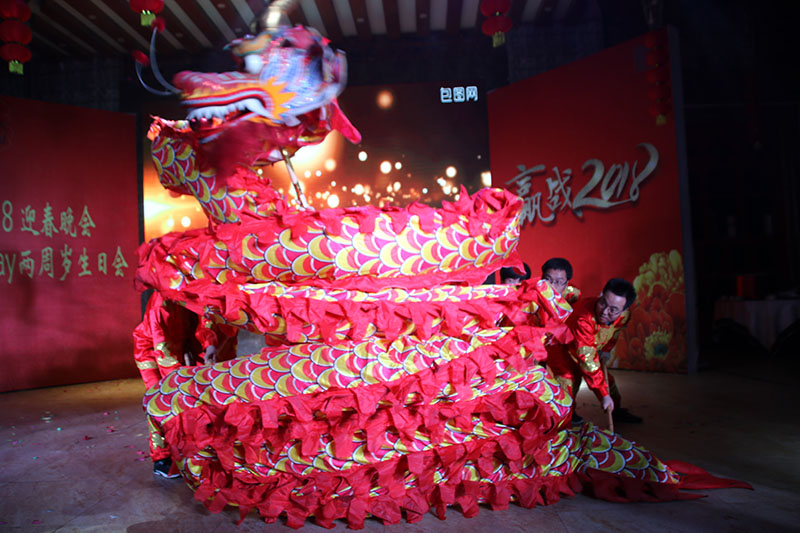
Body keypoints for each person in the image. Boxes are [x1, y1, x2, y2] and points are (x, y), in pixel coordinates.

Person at [133, 291, 238, 477]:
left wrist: (209, 345)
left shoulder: (195, 290)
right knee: (162, 401)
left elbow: (205, 319)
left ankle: (198, 449)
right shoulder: (160, 305)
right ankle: (162, 457)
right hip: (151, 351)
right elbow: (162, 349)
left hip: (185, 343)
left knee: (204, 395)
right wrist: (180, 377)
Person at [546, 278, 643, 425]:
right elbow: (587, 360)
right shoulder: (583, 318)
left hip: (587, 349)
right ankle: (564, 418)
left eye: (613, 310)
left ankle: (615, 411)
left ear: (623, 310)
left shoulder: (624, 317)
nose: (604, 311)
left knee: (608, 382)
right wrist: (602, 395)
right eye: (603, 302)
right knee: (568, 380)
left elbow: (614, 333)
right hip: (562, 349)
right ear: (601, 295)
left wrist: (606, 350)